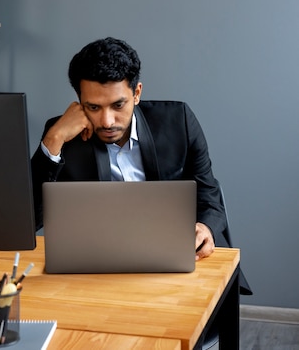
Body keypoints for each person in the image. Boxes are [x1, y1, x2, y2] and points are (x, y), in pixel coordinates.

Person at [31, 37, 251, 293]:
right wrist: (53, 139)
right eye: (93, 107)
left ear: (136, 94)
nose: (107, 121)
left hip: (179, 263)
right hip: (98, 269)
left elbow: (210, 196)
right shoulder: (61, 135)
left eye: (118, 105)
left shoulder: (179, 120)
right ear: (79, 102)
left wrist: (205, 227)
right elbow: (29, 221)